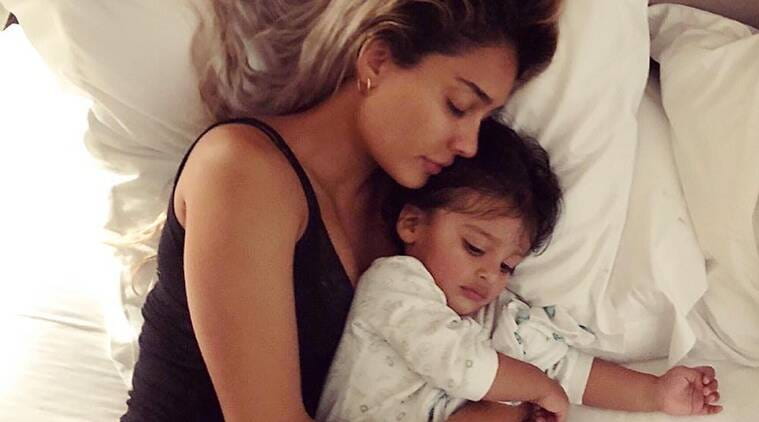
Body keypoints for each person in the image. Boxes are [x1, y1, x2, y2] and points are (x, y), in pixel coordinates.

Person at [121, 1, 562, 421]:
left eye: (484, 120)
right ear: (377, 61)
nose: (469, 144)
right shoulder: (242, 170)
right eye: (458, 106)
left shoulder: (415, 214)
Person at [316, 119, 723, 422]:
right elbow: (458, 363)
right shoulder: (394, 284)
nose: (489, 275)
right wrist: (538, 387)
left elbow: (569, 369)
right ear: (412, 224)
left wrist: (655, 393)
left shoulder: (499, 317)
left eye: (507, 266)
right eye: (474, 247)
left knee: (510, 409)